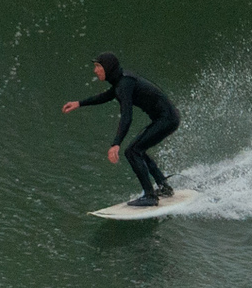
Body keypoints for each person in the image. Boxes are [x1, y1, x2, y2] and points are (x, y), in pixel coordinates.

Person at [61, 52, 180, 207]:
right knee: (138, 150)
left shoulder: (124, 84)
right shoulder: (121, 81)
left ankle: (150, 196)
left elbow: (126, 115)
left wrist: (116, 143)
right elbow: (106, 96)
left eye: (98, 66)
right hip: (166, 118)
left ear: (108, 67)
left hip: (167, 119)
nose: (95, 71)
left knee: (132, 151)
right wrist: (79, 103)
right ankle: (164, 188)